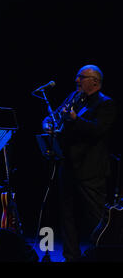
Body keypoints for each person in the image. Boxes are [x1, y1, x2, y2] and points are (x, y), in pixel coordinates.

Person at [42, 64, 117, 261]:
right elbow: (54, 117)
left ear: (95, 81)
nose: (77, 80)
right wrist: (48, 124)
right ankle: (71, 256)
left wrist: (75, 120)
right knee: (67, 216)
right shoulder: (74, 97)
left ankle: (100, 254)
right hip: (67, 166)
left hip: (90, 170)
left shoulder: (105, 104)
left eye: (81, 77)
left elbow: (98, 130)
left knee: (95, 217)